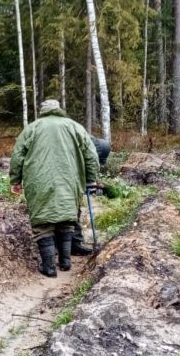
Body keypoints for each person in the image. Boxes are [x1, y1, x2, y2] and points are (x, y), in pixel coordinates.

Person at [9, 100, 99, 278]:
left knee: (43, 222)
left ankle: (49, 267)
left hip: (38, 181)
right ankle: (65, 262)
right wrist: (91, 179)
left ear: (42, 111)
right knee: (66, 219)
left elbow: (17, 155)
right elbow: (91, 154)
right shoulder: (74, 126)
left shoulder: (32, 128)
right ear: (59, 110)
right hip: (69, 180)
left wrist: (15, 180)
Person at [72, 136, 110, 255]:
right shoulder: (88, 147)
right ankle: (73, 245)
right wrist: (90, 182)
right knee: (71, 212)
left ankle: (69, 245)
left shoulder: (83, 143)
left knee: (70, 212)